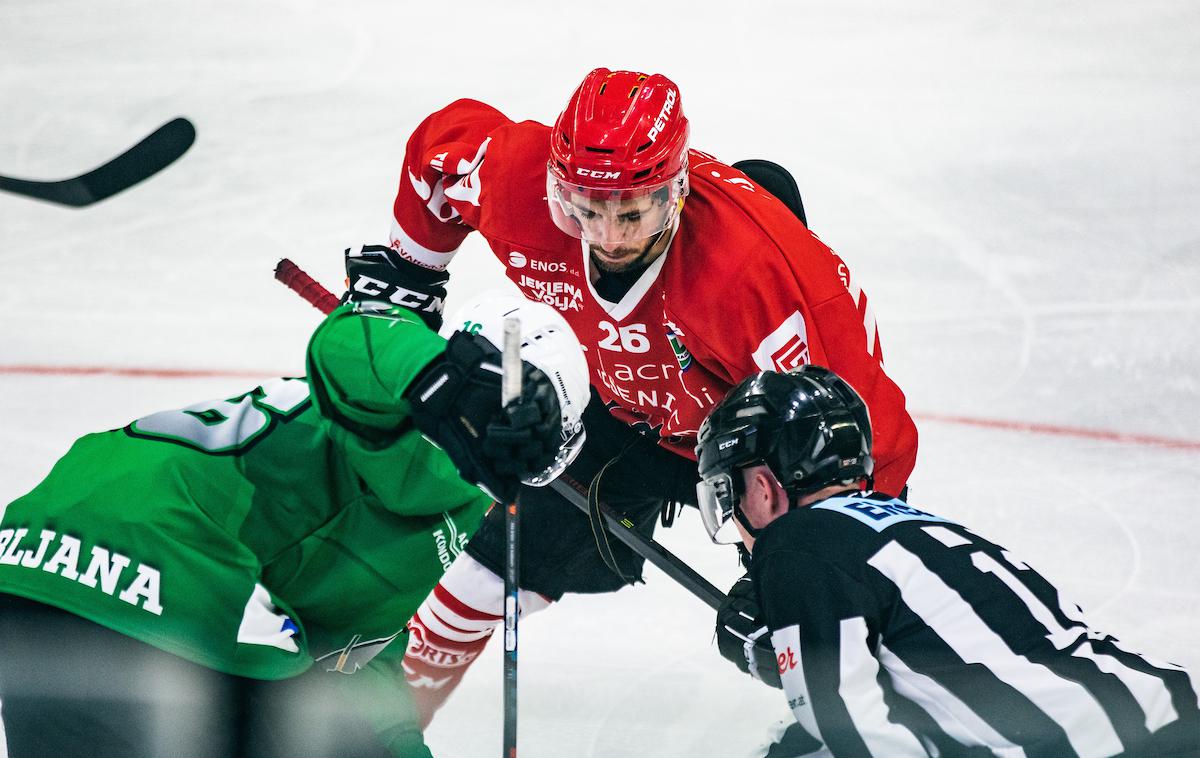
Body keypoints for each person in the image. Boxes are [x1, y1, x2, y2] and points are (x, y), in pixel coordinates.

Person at [368, 66, 921, 724]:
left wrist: (807, 566)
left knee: (824, 623)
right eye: (583, 208)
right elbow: (442, 147)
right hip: (622, 410)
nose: (607, 236)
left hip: (758, 441)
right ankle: (385, 731)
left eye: (631, 212)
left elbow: (859, 438)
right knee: (479, 578)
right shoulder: (519, 182)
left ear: (676, 189)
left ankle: (881, 721)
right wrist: (409, 274)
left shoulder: (755, 275)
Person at [0, 284, 589, 758]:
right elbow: (350, 336)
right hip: (162, 565)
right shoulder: (406, 422)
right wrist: (460, 388)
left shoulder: (409, 454)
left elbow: (355, 652)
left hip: (40, 558)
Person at [696, 366, 1200, 757]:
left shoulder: (797, 545)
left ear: (762, 488)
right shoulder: (905, 524)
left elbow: (858, 738)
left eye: (727, 491)